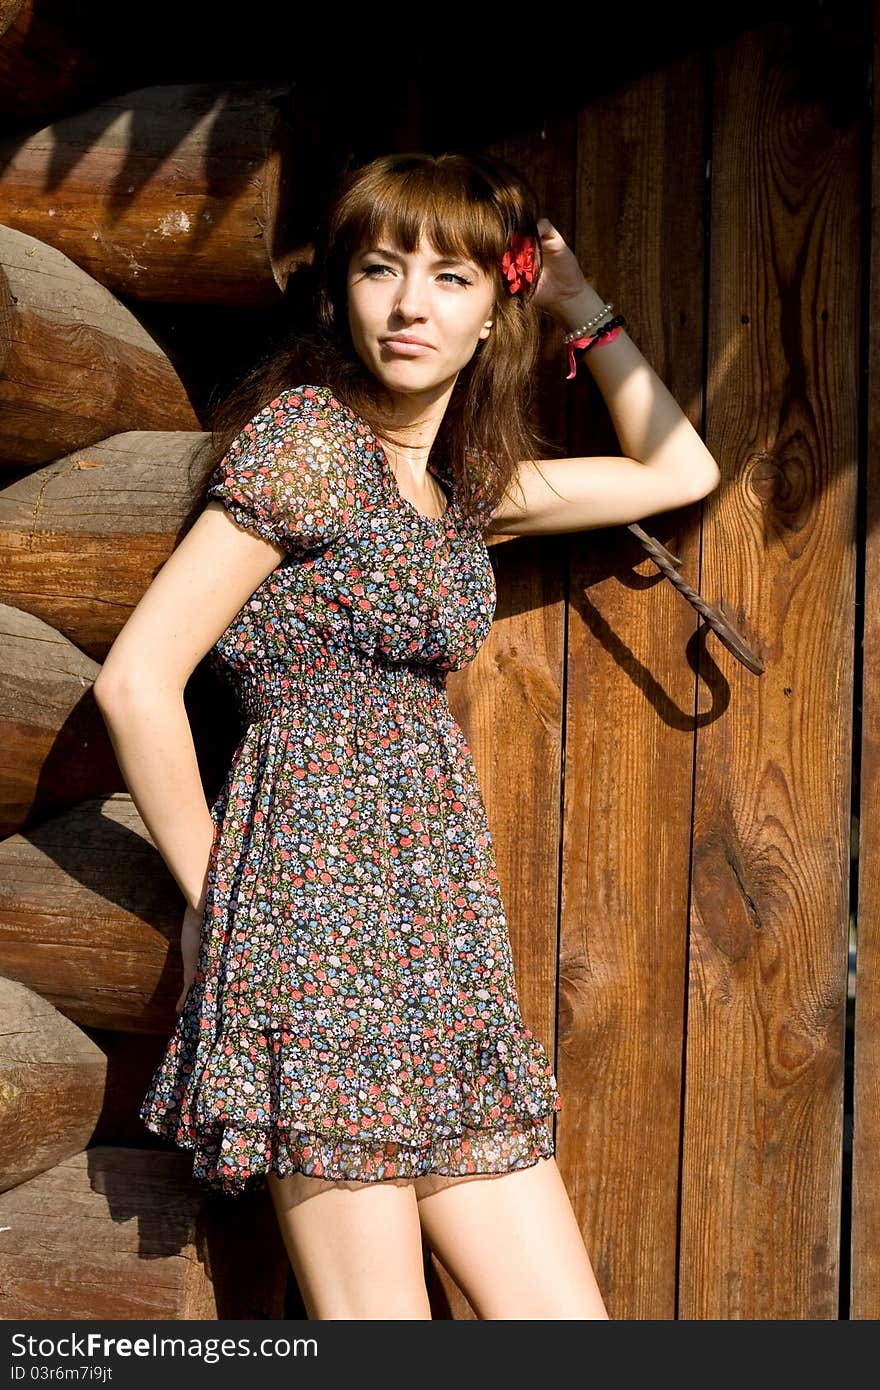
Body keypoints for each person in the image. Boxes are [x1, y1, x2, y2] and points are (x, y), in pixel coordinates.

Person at [94, 150, 721, 1321]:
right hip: (310, 941)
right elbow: (139, 680)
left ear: (495, 312)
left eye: (450, 279)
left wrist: (580, 306)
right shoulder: (307, 445)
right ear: (339, 295)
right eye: (381, 271)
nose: (412, 304)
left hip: (439, 948)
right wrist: (216, 900)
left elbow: (678, 468)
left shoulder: (458, 496)